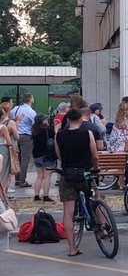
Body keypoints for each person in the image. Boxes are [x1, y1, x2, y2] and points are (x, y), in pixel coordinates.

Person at [55, 108, 99, 257]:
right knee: (96, 198)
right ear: (80, 120)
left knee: (68, 212)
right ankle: (104, 227)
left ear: (67, 120)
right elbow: (95, 155)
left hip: (68, 174)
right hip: (84, 173)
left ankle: (72, 248)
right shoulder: (87, 134)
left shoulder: (59, 136)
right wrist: (96, 168)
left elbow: (59, 155)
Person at [10, 93, 36, 188]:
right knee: (25, 159)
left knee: (17, 158)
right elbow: (34, 124)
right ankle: (22, 180)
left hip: (15, 134)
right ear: (30, 99)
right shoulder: (31, 111)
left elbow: (11, 119)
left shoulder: (16, 108)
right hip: (26, 136)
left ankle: (17, 179)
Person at [31, 114, 56, 202]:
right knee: (47, 177)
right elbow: (54, 138)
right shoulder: (48, 130)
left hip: (37, 155)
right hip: (47, 155)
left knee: (39, 176)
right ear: (43, 120)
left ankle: (36, 195)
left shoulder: (34, 130)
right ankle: (46, 196)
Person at [0, 106, 16, 198]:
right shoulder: (3, 127)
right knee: (4, 171)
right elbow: (9, 141)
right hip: (3, 148)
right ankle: (2, 194)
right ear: (2, 115)